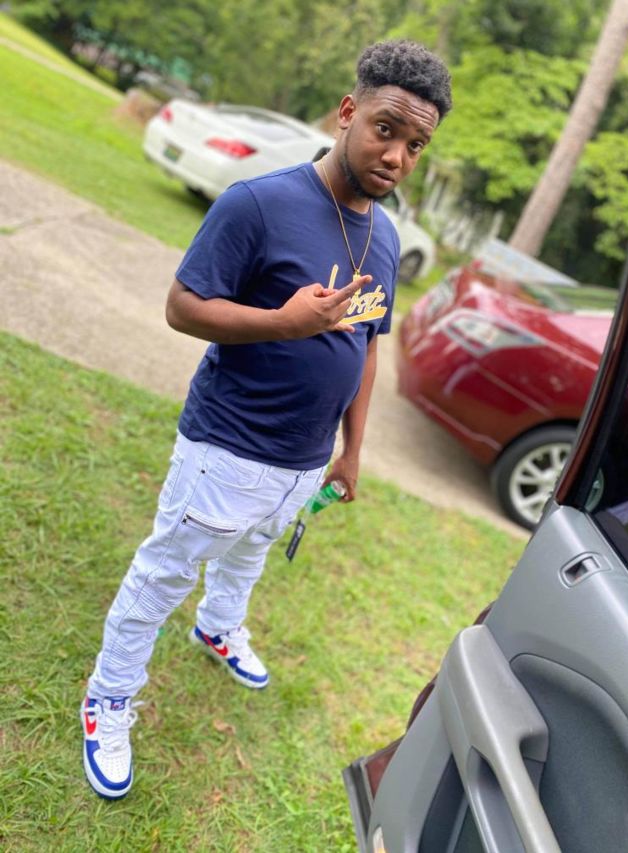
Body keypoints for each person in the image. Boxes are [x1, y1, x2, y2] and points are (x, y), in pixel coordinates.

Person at [80, 39, 452, 799]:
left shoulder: (384, 235)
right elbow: (182, 306)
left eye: (416, 145)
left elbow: (366, 345)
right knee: (162, 576)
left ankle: (218, 626)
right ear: (347, 113)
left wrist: (352, 449)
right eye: (385, 130)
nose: (397, 156)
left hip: (304, 461)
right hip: (227, 447)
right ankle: (108, 698)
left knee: (249, 555)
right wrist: (283, 323)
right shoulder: (258, 204)